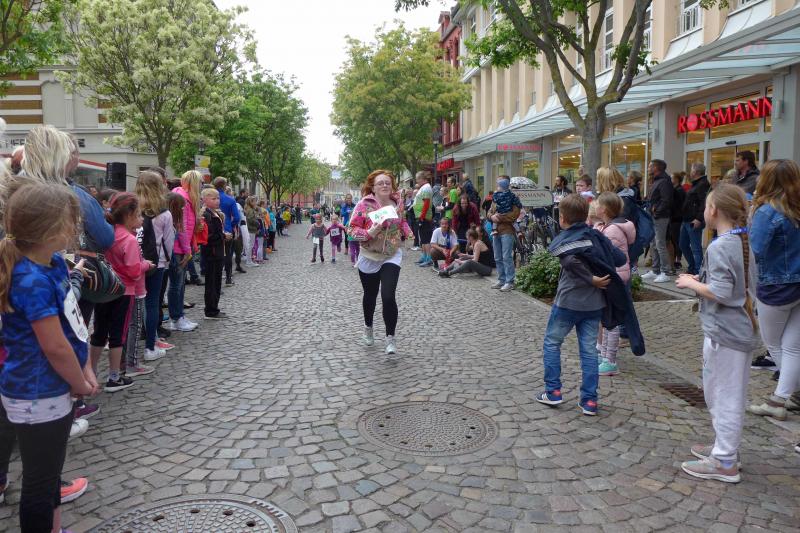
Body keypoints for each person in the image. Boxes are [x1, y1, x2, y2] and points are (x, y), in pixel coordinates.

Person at [0, 183, 98, 533]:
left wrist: (84, 367)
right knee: (40, 483)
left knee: (50, 471)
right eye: (71, 221)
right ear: (51, 229)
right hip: (38, 393)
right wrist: (79, 381)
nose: (75, 228)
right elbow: (54, 346)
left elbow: (72, 325)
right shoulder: (31, 279)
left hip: (55, 387)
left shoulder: (53, 262)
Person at [676, 183, 760, 483]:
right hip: (733, 330)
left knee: (724, 396)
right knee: (720, 393)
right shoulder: (739, 241)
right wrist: (701, 280)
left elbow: (723, 292)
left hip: (726, 333)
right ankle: (725, 449)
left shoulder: (721, 245)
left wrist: (691, 284)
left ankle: (724, 461)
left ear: (713, 210)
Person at [535, 194, 628, 416]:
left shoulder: (567, 239)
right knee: (588, 352)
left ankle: (553, 392)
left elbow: (568, 259)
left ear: (562, 218)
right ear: (586, 216)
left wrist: (591, 277)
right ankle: (589, 401)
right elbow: (620, 259)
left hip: (567, 302)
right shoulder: (595, 237)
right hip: (593, 304)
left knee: (552, 343)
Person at [747, 160, 800, 430]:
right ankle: (788, 396)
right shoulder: (795, 208)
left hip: (776, 285)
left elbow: (755, 249)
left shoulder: (767, 211)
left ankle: (780, 399)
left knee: (775, 344)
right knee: (792, 346)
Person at [89, 192, 154, 392]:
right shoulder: (130, 240)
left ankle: (91, 374)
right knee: (118, 334)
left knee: (99, 333)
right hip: (124, 291)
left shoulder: (107, 234)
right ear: (129, 215)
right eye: (139, 214)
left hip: (104, 290)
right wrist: (146, 264)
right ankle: (114, 376)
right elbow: (134, 271)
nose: (141, 218)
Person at [347, 170, 412, 355]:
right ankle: (368, 327)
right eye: (380, 183)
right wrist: (369, 232)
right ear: (373, 187)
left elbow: (401, 222)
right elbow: (351, 230)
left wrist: (408, 231)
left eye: (387, 183)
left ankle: (390, 338)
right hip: (370, 255)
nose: (385, 185)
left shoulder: (397, 203)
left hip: (392, 254)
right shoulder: (363, 205)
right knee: (370, 295)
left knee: (388, 296)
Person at [593, 193, 635, 377]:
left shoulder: (612, 231)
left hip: (614, 277)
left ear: (603, 209)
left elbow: (606, 257)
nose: (594, 206)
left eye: (597, 204)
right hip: (612, 276)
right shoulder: (607, 227)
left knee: (611, 321)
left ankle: (609, 361)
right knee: (606, 319)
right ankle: (604, 356)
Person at [135, 171, 174, 361]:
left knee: (133, 306)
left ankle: (129, 350)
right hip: (156, 263)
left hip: (132, 262)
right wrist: (167, 261)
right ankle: (150, 346)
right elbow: (168, 241)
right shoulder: (164, 213)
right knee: (152, 304)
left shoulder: (132, 209)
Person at [167, 170, 201, 332]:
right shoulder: (183, 199)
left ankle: (179, 315)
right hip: (178, 248)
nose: (201, 186)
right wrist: (188, 249)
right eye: (200, 183)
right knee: (177, 284)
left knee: (179, 284)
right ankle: (176, 318)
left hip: (182, 246)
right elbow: (181, 226)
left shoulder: (184, 197)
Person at [641, 159, 674, 282]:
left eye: (650, 166)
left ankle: (665, 272)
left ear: (656, 168)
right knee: (653, 244)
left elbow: (666, 200)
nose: (648, 168)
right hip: (654, 216)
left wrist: (656, 212)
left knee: (660, 244)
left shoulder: (664, 181)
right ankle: (656, 271)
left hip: (660, 217)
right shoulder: (657, 180)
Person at [488, 176, 521, 292]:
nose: (498, 186)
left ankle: (509, 281)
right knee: (497, 257)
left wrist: (499, 217)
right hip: (495, 230)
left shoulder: (513, 197)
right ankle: (501, 279)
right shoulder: (496, 197)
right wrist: (491, 217)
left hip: (507, 229)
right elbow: (490, 211)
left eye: (499, 184)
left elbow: (514, 215)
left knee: (506, 256)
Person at [199, 188, 227, 320]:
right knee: (212, 283)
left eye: (218, 198)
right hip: (212, 253)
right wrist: (224, 236)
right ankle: (210, 310)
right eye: (213, 199)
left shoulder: (214, 213)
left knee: (216, 282)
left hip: (218, 252)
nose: (217, 201)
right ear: (205, 200)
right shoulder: (206, 215)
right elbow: (209, 236)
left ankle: (214, 308)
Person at [680, 163, 710, 276]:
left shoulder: (703, 184)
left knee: (696, 247)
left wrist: (698, 218)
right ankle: (692, 267)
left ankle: (698, 271)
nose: (690, 172)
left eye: (691, 170)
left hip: (693, 220)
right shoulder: (696, 184)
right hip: (686, 219)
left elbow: (704, 203)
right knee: (683, 244)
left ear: (696, 172)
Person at [213, 178, 241, 286]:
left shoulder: (209, 198)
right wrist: (231, 225)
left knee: (214, 254)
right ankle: (228, 278)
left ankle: (215, 281)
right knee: (228, 254)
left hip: (213, 229)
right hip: (227, 229)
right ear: (224, 186)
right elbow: (237, 217)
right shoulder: (230, 199)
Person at [413, 171, 435, 267]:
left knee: (426, 239)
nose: (417, 181)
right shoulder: (424, 187)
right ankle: (424, 256)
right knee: (422, 238)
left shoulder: (426, 188)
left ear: (422, 178)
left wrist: (422, 217)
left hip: (424, 217)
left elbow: (426, 203)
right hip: (421, 216)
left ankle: (428, 258)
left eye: (417, 179)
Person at [670, 171, 687, 272]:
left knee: (676, 240)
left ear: (676, 179)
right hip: (675, 218)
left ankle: (677, 260)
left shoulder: (679, 190)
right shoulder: (676, 189)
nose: (670, 179)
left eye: (672, 178)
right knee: (674, 239)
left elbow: (678, 205)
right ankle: (676, 259)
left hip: (677, 218)